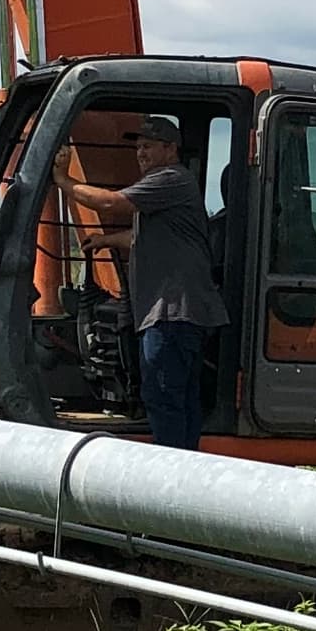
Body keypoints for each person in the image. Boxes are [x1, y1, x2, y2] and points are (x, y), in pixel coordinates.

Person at [89, 115, 225, 448]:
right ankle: (186, 462)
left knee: (162, 398)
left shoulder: (169, 179)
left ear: (170, 149)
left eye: (148, 147)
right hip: (183, 315)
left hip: (172, 313)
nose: (141, 154)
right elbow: (144, 238)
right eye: (139, 147)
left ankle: (169, 474)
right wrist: (106, 241)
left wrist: (62, 180)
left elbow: (111, 202)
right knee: (182, 399)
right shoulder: (171, 186)